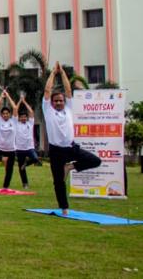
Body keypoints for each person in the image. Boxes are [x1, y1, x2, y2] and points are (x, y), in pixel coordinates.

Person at [44, 63, 102, 215]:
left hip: (71, 148)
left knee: (95, 161)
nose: (58, 103)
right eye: (56, 101)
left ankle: (70, 167)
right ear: (51, 103)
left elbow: (68, 90)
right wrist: (52, 74)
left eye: (61, 101)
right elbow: (47, 90)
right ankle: (64, 208)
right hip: (56, 151)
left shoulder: (69, 108)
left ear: (64, 102)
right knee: (58, 181)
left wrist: (62, 73)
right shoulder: (48, 110)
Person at [14, 95, 37, 188]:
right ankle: (25, 183)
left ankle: (26, 163)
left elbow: (31, 112)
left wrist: (24, 102)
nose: (23, 118)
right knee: (21, 168)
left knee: (35, 159)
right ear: (19, 118)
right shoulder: (16, 124)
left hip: (29, 147)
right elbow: (15, 110)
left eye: (25, 117)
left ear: (27, 118)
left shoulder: (30, 123)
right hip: (19, 149)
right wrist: (20, 101)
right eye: (21, 117)